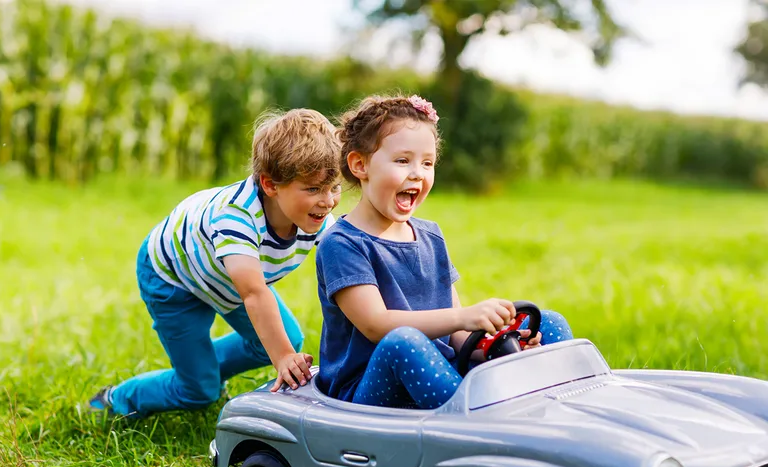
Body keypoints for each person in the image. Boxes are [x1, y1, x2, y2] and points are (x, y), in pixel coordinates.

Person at [315, 95, 573, 409]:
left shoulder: (430, 236)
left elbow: (459, 340)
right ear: (361, 165)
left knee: (549, 323)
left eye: (427, 163)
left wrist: (507, 348)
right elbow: (375, 324)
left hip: (439, 372)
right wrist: (463, 316)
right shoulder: (342, 243)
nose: (417, 173)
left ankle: (556, 406)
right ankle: (478, 419)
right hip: (368, 393)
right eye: (402, 161)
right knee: (402, 342)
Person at [89, 108, 342, 417]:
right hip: (174, 277)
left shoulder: (316, 218)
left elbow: (345, 268)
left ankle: (206, 368)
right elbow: (253, 293)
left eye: (334, 187)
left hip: (224, 277)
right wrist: (284, 357)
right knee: (199, 391)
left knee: (284, 338)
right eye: (313, 188)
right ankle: (115, 400)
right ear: (270, 185)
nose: (327, 200)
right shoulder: (236, 217)